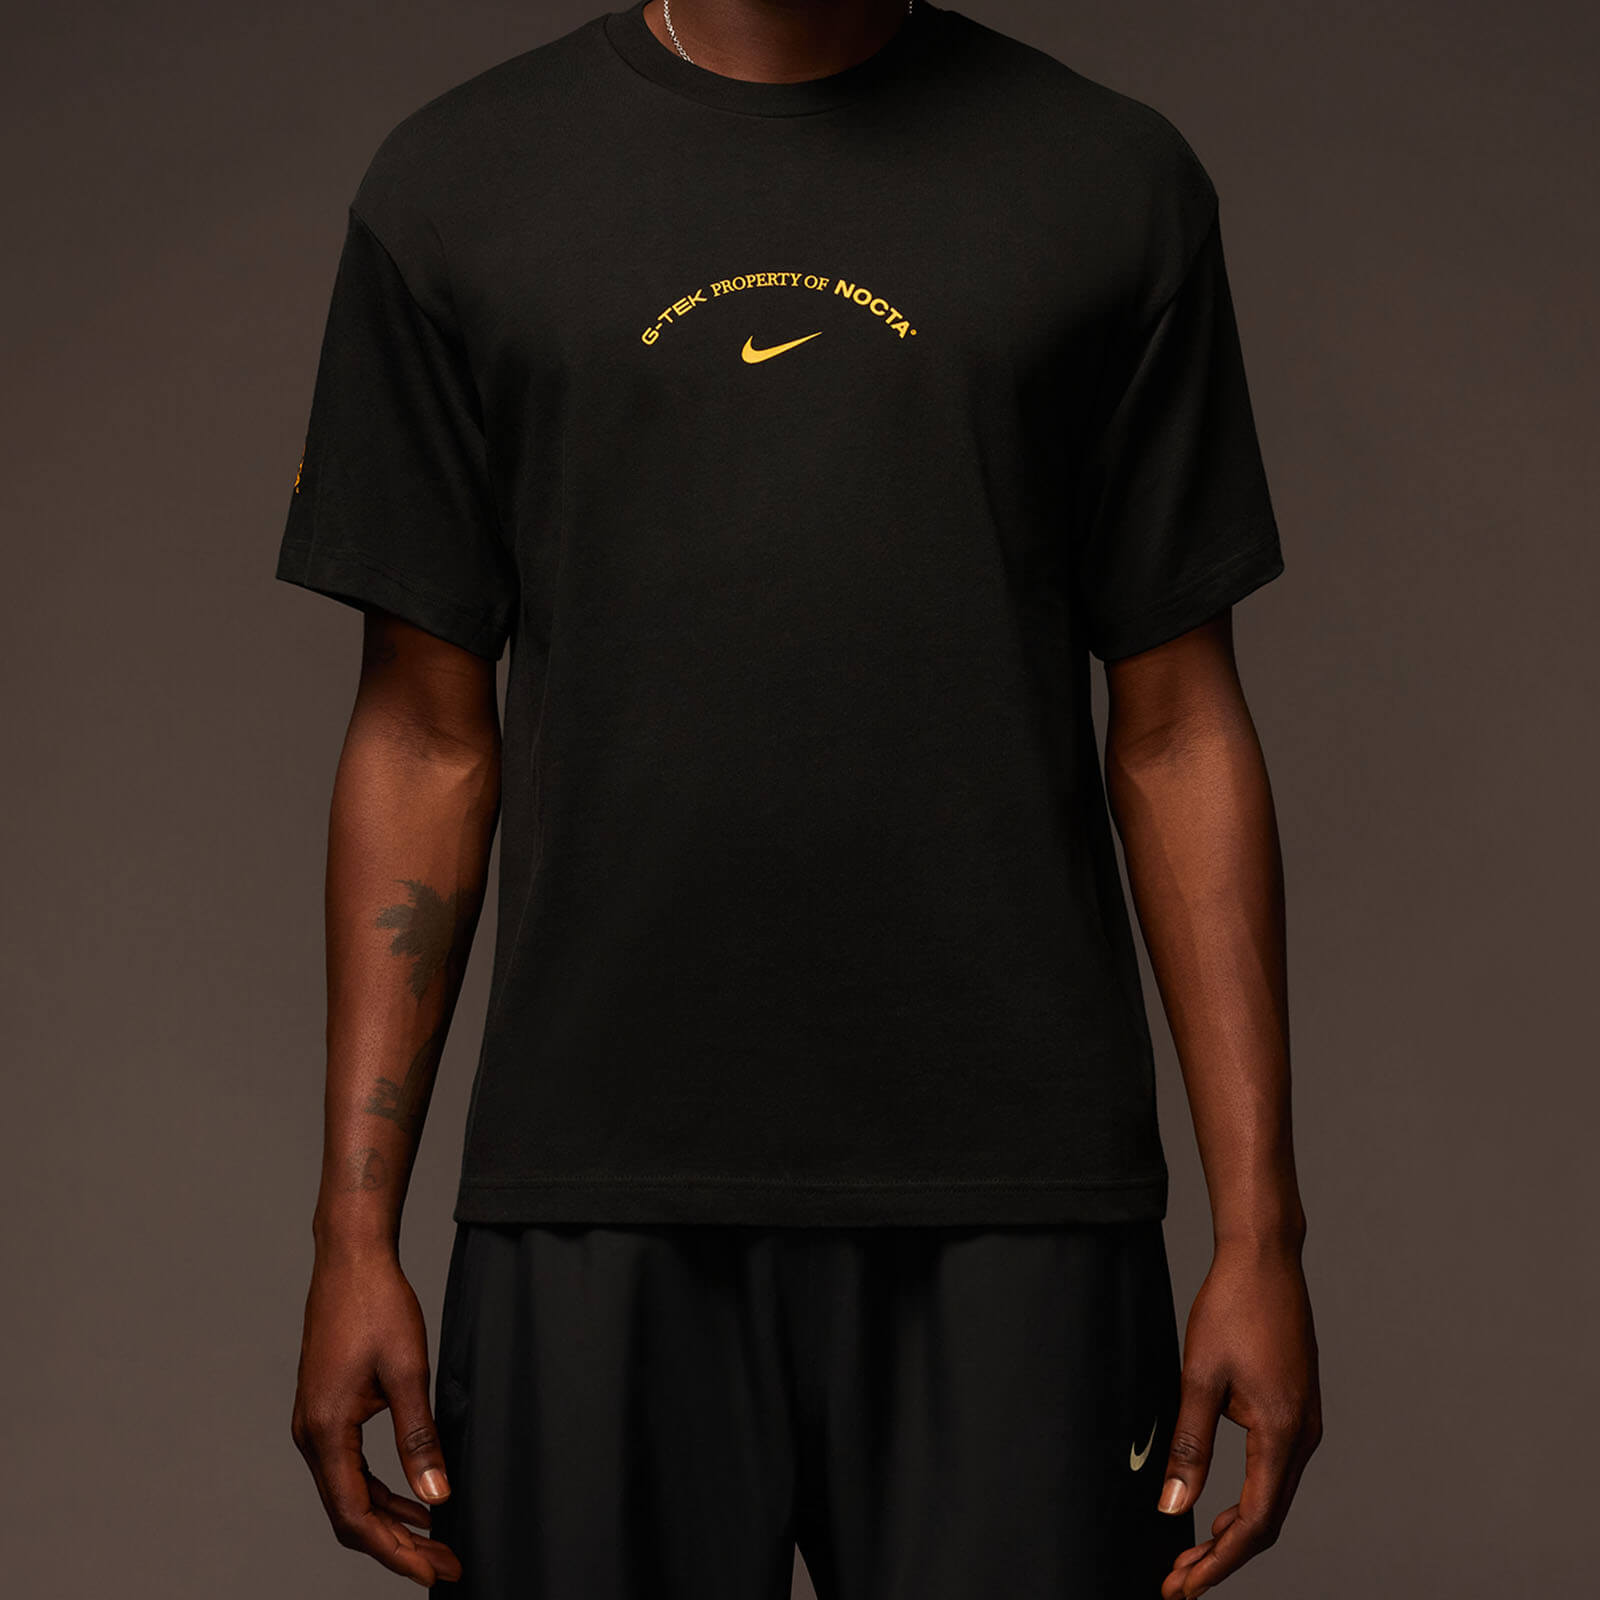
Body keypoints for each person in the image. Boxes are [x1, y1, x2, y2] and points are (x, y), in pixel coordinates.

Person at [280, 1, 1321, 1595]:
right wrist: (351, 1236)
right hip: (592, 1191)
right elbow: (425, 739)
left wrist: (1262, 1234)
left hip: (1019, 1204)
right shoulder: (457, 187)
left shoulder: (1109, 183)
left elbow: (1177, 730)